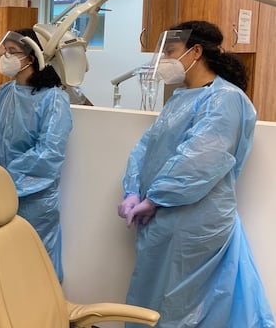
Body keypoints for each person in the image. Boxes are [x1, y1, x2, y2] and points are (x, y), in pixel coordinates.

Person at [117, 20, 274, 328]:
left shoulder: (225, 99)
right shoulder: (179, 99)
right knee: (154, 301)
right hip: (165, 220)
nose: (162, 62)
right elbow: (145, 149)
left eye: (169, 53)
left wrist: (156, 198)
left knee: (186, 307)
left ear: (196, 51)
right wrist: (132, 190)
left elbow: (200, 160)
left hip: (197, 223)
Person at [0, 29, 73, 281]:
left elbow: (48, 153)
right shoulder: (5, 93)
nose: (5, 57)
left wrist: (3, 182)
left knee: (33, 272)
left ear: (33, 57)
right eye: (4, 51)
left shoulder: (55, 99)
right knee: (0, 271)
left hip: (34, 201)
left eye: (12, 52)